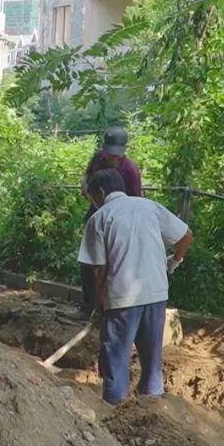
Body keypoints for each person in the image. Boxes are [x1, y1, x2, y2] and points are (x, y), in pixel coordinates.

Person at [77, 168, 193, 405]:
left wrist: (100, 303)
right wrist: (174, 261)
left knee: (116, 357)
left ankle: (115, 407)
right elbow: (186, 235)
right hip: (156, 293)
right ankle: (152, 406)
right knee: (152, 357)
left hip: (121, 298)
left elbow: (99, 270)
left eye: (91, 197)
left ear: (99, 192)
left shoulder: (99, 218)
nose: (92, 203)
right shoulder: (149, 207)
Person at [79, 126, 142, 319]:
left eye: (117, 156)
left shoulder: (130, 171)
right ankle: (88, 304)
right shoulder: (98, 159)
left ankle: (112, 306)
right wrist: (87, 191)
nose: (113, 159)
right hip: (96, 211)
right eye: (110, 155)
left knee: (112, 262)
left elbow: (136, 202)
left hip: (120, 221)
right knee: (89, 260)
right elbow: (86, 178)